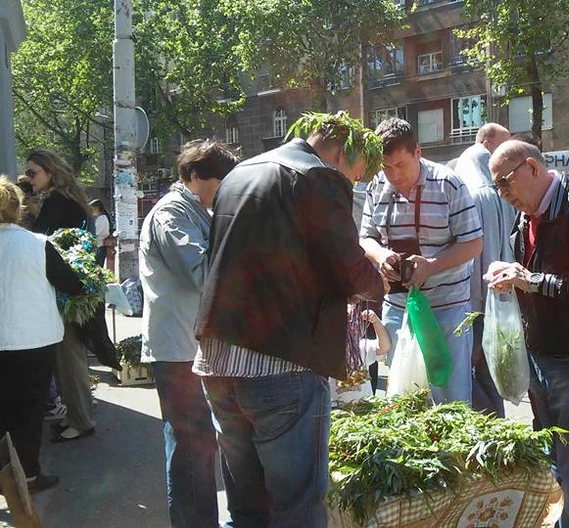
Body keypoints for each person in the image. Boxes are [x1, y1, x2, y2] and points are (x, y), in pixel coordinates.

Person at [194, 112, 385, 526]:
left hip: (217, 360)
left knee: (246, 506)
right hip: (279, 364)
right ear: (342, 152)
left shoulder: (240, 174)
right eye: (356, 175)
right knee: (297, 505)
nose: (353, 183)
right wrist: (381, 281)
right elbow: (346, 267)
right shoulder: (318, 176)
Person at [486, 140, 569, 527]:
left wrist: (531, 281)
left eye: (505, 182)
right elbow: (530, 277)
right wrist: (509, 278)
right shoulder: (526, 215)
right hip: (540, 354)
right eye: (496, 186)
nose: (502, 193)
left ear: (531, 167)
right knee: (553, 459)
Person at [139, 139, 239, 527]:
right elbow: (202, 273)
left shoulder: (198, 210)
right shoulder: (171, 214)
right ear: (195, 176)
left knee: (202, 445)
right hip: (178, 351)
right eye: (220, 183)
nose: (225, 192)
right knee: (191, 449)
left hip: (194, 347)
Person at [360, 117, 483, 404]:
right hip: (397, 307)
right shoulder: (376, 185)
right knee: (405, 399)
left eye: (400, 165)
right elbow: (365, 237)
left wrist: (432, 265)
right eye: (386, 167)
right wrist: (382, 256)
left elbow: (474, 243)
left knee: (450, 399)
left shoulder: (448, 184)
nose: (393, 175)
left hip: (446, 309)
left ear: (418, 152)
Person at [0, 176, 83, 493]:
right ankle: (27, 476)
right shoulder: (38, 244)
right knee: (28, 411)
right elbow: (72, 285)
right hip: (33, 340)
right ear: (17, 209)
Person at [26, 150, 97, 442]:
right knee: (69, 357)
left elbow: (45, 244)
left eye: (32, 173)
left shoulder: (58, 202)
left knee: (69, 358)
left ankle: (81, 420)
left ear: (50, 172)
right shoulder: (66, 199)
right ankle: (76, 415)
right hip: (71, 287)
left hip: (66, 290)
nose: (29, 179)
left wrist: (32, 217)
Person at [453, 123, 515, 417]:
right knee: (491, 369)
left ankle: (487, 424)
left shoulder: (472, 193)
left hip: (472, 303)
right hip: (496, 298)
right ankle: (497, 424)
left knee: (469, 369)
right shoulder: (497, 195)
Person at [330, 305, 391, 403]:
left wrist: (376, 322)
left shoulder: (362, 346)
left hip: (364, 406)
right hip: (336, 407)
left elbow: (384, 347)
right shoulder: (328, 351)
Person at [89, 199, 112, 267]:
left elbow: (95, 232)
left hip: (99, 246)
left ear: (97, 208)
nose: (91, 211)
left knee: (97, 267)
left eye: (92, 209)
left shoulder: (102, 219)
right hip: (98, 246)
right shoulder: (100, 218)